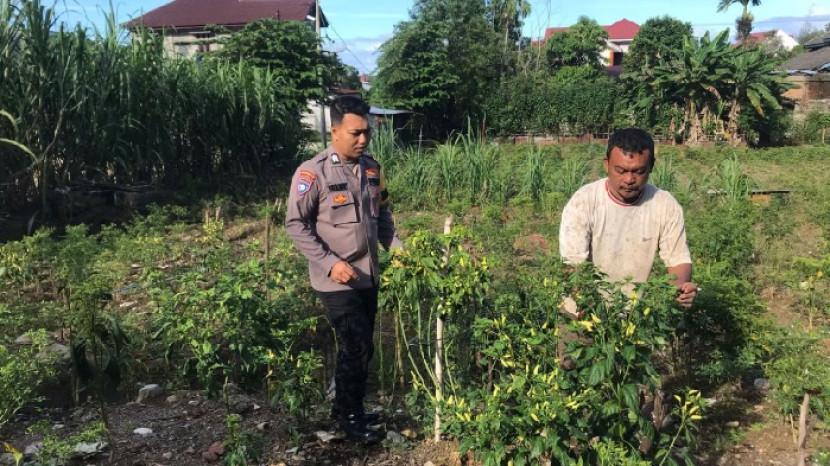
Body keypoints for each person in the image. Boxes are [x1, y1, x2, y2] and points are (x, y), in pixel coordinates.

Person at [285, 95, 401, 444]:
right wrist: (330, 263)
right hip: (335, 280)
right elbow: (295, 224)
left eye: (367, 133)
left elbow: (383, 217)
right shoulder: (313, 172)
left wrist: (400, 251)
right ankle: (350, 419)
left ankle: (348, 406)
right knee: (355, 345)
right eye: (355, 133)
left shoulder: (372, 169)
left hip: (368, 275)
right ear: (335, 131)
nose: (363, 139)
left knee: (363, 346)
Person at [559, 128, 698, 308]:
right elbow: (573, 265)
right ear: (606, 164)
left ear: (651, 166)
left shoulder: (665, 205)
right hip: (585, 308)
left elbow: (678, 260)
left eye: (639, 171)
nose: (629, 179)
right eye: (621, 170)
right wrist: (585, 303)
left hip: (636, 312)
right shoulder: (583, 201)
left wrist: (679, 289)